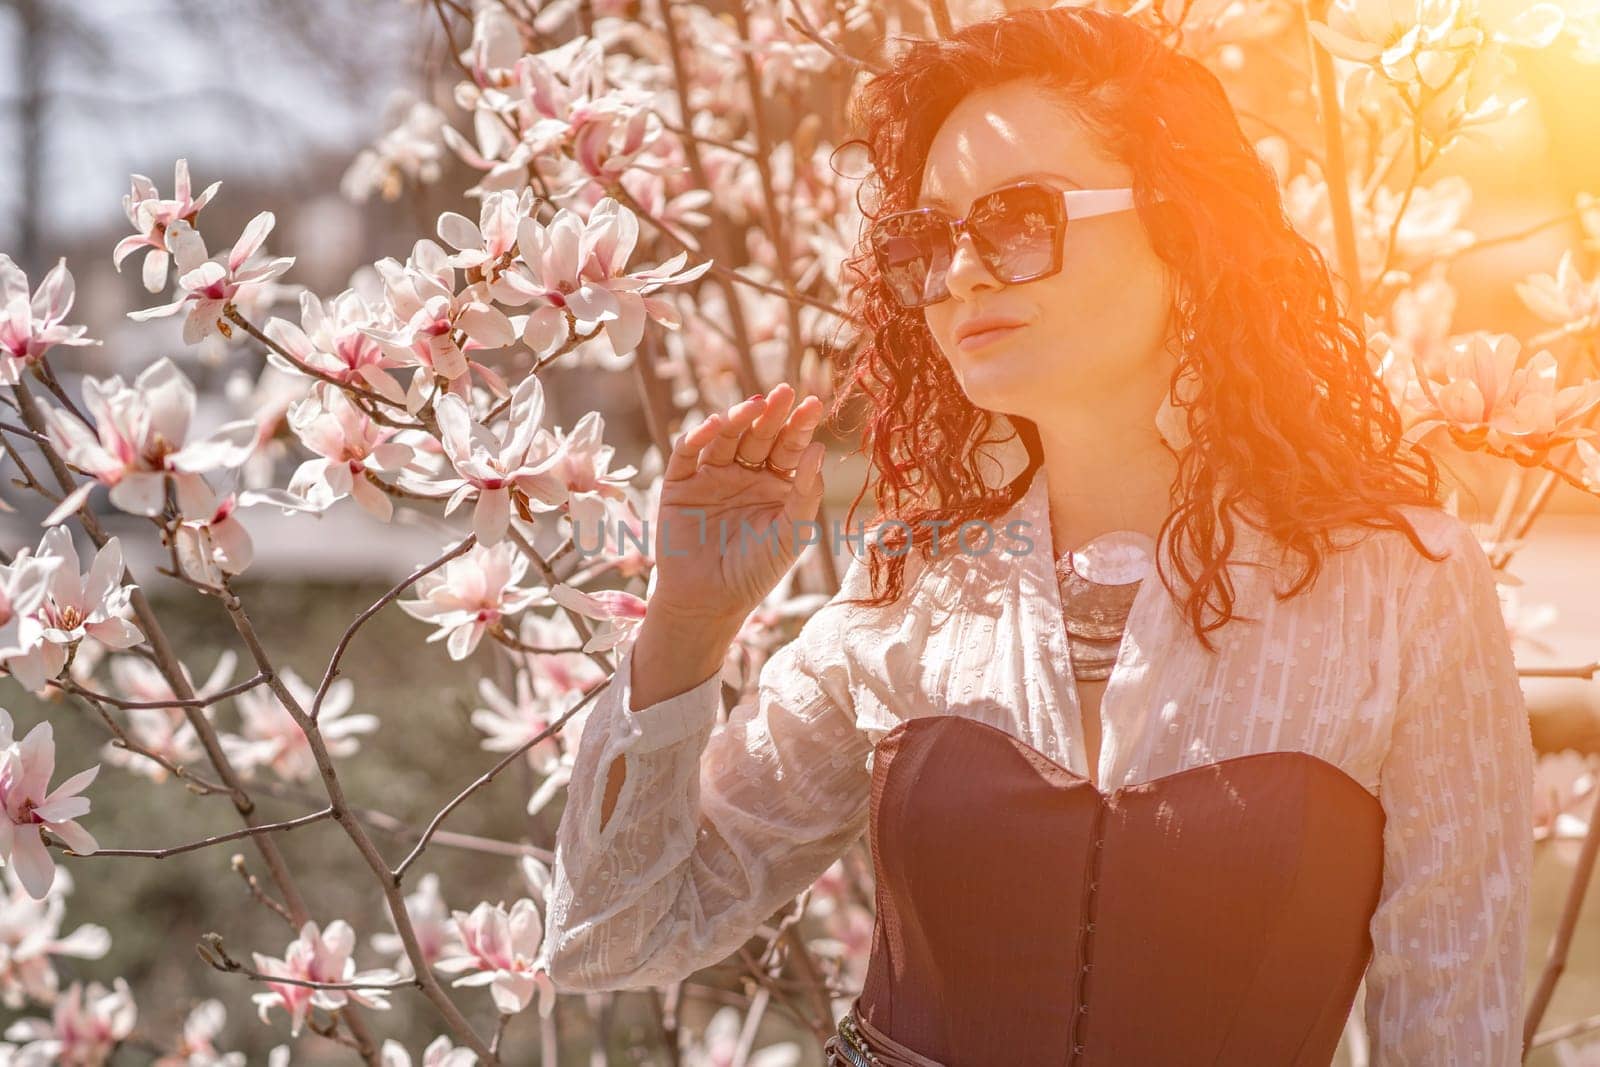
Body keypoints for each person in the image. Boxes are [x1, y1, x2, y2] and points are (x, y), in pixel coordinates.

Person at [534, 8, 1534, 1065]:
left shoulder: (1400, 586)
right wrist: (687, 624)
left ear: (1184, 229)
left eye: (1018, 219)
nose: (961, 273)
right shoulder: (915, 589)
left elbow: (1451, 1027)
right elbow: (614, 940)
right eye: (927, 240)